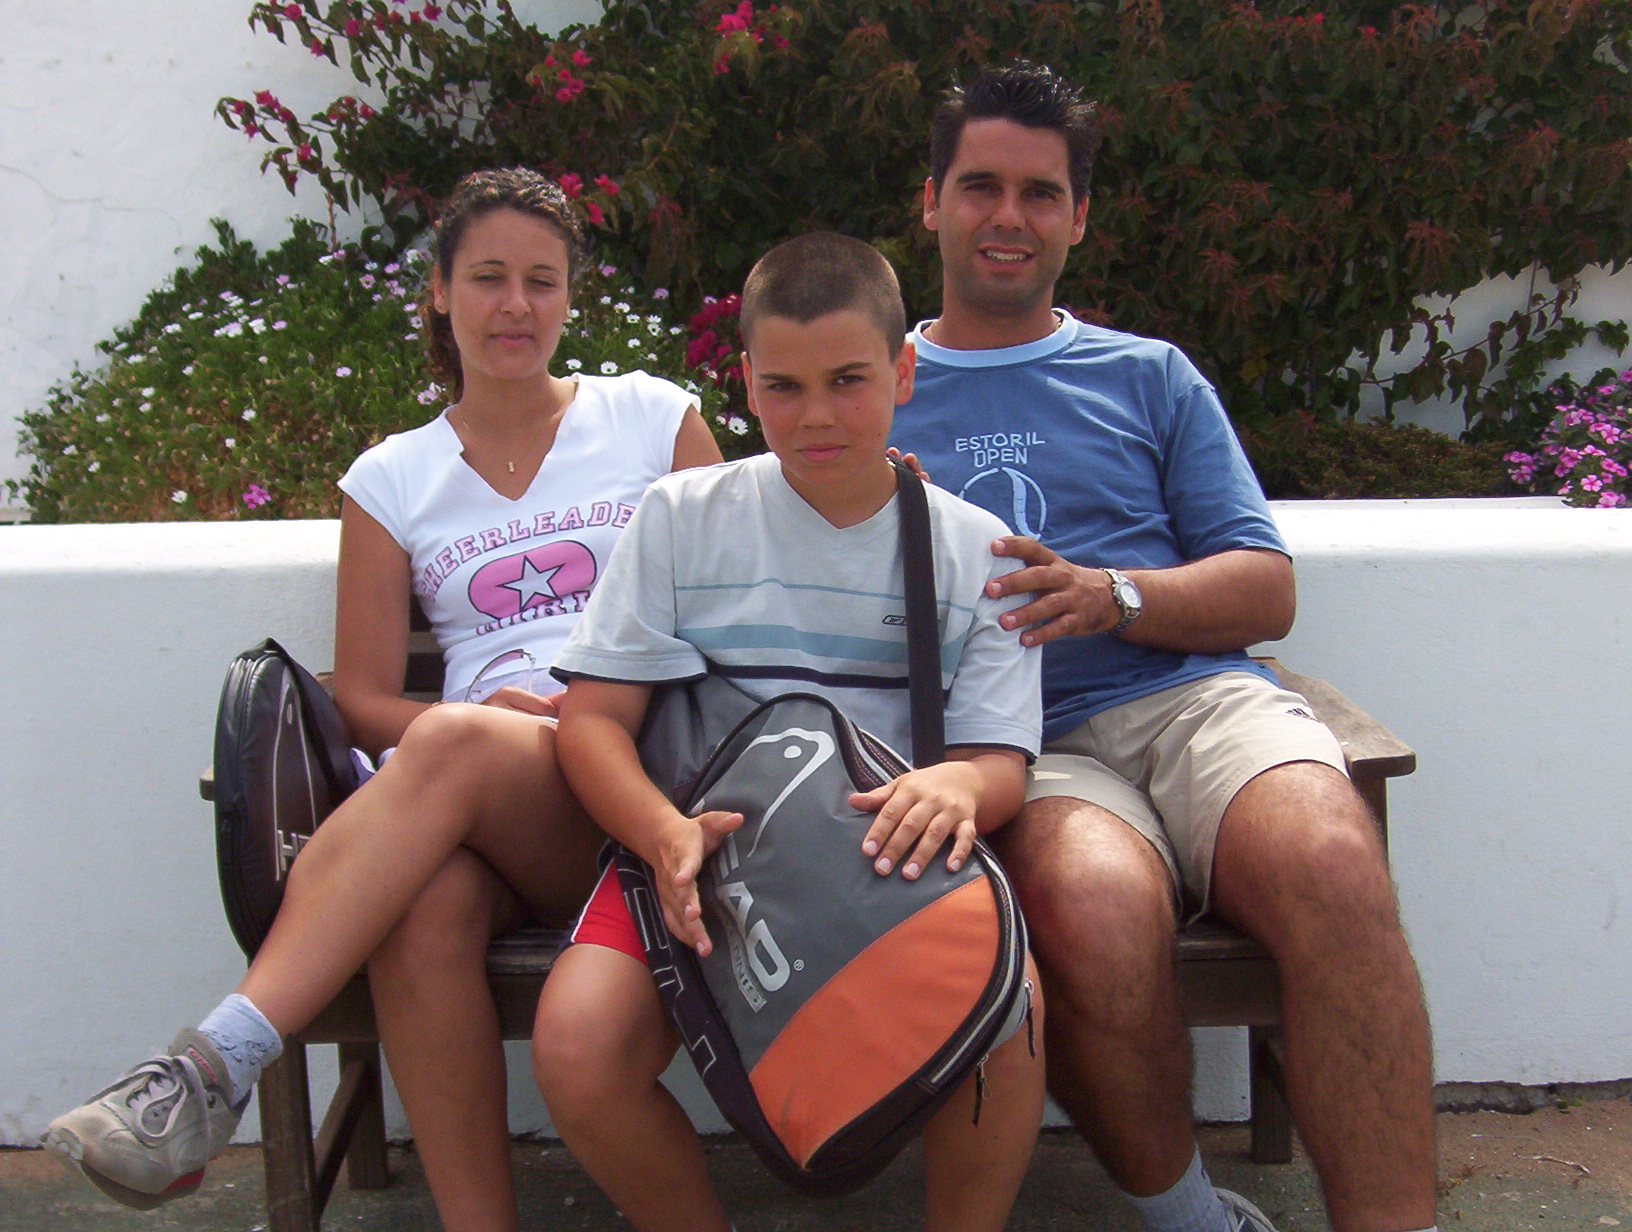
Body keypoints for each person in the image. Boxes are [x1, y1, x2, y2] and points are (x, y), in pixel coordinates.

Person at [44, 167, 723, 1232]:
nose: (515, 305)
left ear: (569, 297)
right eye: (488, 278)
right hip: (488, 805)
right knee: (424, 907)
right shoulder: (393, 476)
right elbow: (360, 697)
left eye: (541, 281)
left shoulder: (650, 418)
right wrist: (484, 732)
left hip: (633, 783)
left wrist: (556, 713)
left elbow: (737, 598)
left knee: (452, 744)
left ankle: (212, 1064)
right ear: (441, 293)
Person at [889, 63, 1440, 1232]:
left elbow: (1266, 587)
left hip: (1195, 700)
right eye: (980, 185)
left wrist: (1116, 596)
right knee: (1091, 906)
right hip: (1020, 739)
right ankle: (1196, 1219)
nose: (1008, 215)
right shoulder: (865, 385)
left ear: (1079, 217)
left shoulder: (1148, 375)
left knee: (1334, 862)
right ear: (930, 201)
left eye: (1041, 192)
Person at [530, 232, 1047, 1232]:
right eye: (784, 386)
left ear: (903, 370)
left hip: (880, 864)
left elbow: (998, 764)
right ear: (746, 382)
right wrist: (663, 833)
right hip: (696, 858)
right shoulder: (681, 516)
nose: (815, 415)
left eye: (849, 380)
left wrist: (959, 785)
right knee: (578, 1046)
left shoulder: (977, 550)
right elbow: (592, 723)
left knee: (1009, 1016)